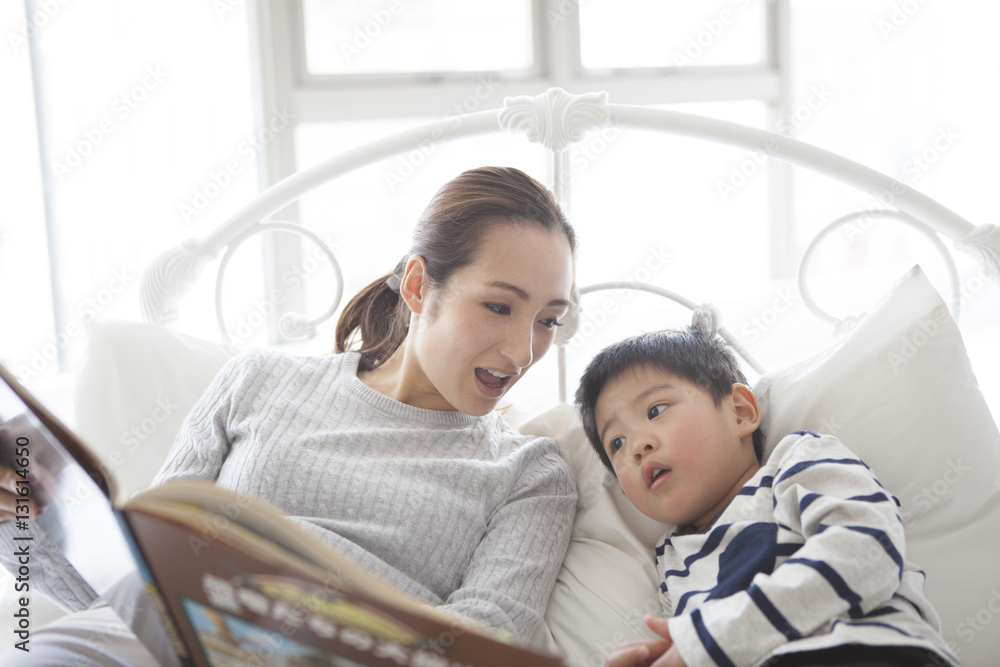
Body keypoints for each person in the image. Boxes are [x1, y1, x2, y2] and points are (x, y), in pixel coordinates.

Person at [0, 166, 579, 665]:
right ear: (419, 285)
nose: (521, 351)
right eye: (498, 306)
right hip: (144, 633)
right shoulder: (259, 381)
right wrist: (23, 526)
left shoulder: (529, 474)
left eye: (549, 320)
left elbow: (484, 646)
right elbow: (133, 580)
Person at [574, 326, 958, 667]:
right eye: (617, 443)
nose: (636, 447)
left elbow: (867, 553)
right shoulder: (671, 560)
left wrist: (714, 640)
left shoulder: (797, 462)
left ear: (740, 411)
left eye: (656, 410)